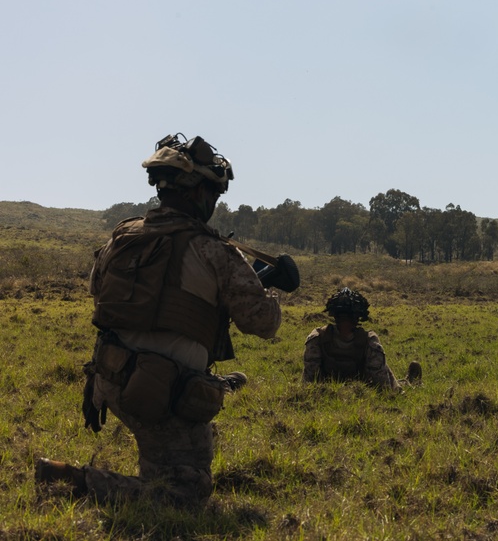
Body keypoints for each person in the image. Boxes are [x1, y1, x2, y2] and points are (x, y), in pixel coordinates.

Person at [35, 133, 296, 508]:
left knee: (192, 443)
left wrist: (95, 378)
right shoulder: (214, 252)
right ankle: (72, 479)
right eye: (214, 194)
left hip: (109, 377)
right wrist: (263, 288)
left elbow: (101, 301)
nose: (214, 203)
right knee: (186, 495)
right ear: (197, 192)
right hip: (161, 391)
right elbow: (264, 323)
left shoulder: (122, 238)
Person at [302, 288, 420, 391]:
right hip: (360, 392)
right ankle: (407, 382)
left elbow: (308, 380)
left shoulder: (317, 337)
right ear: (357, 318)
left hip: (330, 393)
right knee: (391, 378)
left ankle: (407, 381)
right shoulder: (369, 340)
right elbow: (383, 384)